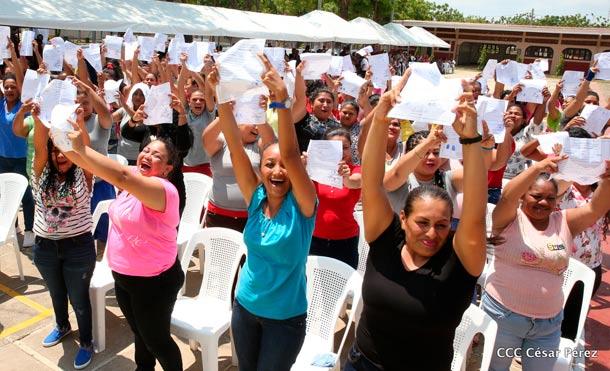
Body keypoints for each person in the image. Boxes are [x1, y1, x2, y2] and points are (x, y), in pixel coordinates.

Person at [348, 68, 487, 370]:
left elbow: (475, 215)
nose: (432, 233)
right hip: (362, 363)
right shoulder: (385, 239)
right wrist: (381, 116)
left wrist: (471, 140)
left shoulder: (460, 264)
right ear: (402, 219)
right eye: (422, 223)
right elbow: (372, 183)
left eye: (442, 225)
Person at [59, 113, 185, 371]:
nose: (147, 156)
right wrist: (60, 138)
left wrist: (81, 146)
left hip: (154, 282)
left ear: (168, 168)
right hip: (124, 276)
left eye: (157, 156)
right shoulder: (132, 177)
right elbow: (89, 162)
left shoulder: (164, 191)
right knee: (139, 333)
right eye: (146, 150)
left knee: (158, 341)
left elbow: (120, 176)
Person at [214, 56, 317, 370]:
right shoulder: (255, 197)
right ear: (260, 170)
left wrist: (282, 102)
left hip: (284, 321)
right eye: (268, 164)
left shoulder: (304, 206)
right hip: (244, 307)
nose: (277, 170)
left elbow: (288, 152)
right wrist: (220, 95)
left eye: (284, 166)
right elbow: (233, 143)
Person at [484, 155, 610, 370]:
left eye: (550, 198)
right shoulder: (507, 219)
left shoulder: (564, 222)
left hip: (548, 325)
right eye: (536, 196)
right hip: (503, 317)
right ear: (523, 196)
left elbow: (594, 209)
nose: (543, 202)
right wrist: (539, 167)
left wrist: (608, 179)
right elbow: (506, 196)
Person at [32, 109, 95, 369]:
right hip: (45, 247)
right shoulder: (41, 173)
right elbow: (39, 149)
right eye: (56, 150)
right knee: (57, 294)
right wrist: (39, 119)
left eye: (65, 151)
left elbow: (87, 154)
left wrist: (79, 123)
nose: (61, 156)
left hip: (77, 248)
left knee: (79, 300)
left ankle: (87, 342)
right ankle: (62, 325)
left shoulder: (83, 173)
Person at [202, 116, 275, 231]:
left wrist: (258, 112)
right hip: (218, 214)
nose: (257, 127)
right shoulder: (222, 141)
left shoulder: (260, 145)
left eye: (259, 122)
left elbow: (272, 140)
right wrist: (226, 111)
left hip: (251, 216)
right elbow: (206, 138)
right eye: (253, 122)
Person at [309, 128, 361, 269]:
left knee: (345, 286)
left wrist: (345, 177)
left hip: (346, 240)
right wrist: (302, 167)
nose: (341, 152)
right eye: (335, 148)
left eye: (345, 148)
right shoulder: (314, 171)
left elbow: (353, 182)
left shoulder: (357, 170)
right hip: (315, 238)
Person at [1, 42, 35, 247]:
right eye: (7, 87)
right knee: (4, 195)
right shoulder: (0, 105)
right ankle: (11, 226)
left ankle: (30, 230)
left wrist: (13, 53)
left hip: (22, 158)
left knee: (26, 196)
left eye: (13, 87)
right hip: (2, 158)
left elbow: (22, 80)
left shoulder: (25, 106)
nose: (10, 90)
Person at [177, 53, 215, 176]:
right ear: (189, 101)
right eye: (194, 100)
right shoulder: (185, 111)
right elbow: (180, 86)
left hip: (205, 165)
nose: (198, 102)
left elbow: (208, 92)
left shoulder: (208, 115)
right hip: (185, 164)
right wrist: (184, 65)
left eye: (201, 100)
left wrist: (208, 69)